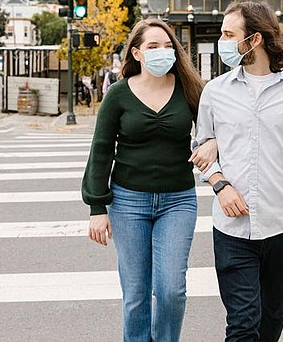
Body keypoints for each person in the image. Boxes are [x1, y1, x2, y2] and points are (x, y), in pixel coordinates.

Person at [190, 1, 283, 342]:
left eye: (229, 34)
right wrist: (220, 185)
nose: (222, 42)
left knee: (272, 319)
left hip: (282, 226)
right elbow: (200, 149)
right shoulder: (215, 92)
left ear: (254, 39)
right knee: (242, 323)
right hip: (231, 230)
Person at [82, 18, 217, 342]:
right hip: (128, 201)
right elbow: (101, 150)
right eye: (153, 47)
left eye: (168, 46)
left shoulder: (188, 89)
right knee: (136, 295)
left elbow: (217, 128)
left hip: (178, 200)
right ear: (137, 53)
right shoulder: (118, 94)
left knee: (171, 290)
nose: (162, 52)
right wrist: (97, 207)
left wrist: (211, 141)